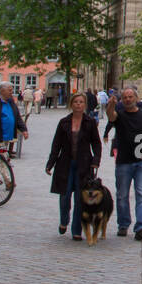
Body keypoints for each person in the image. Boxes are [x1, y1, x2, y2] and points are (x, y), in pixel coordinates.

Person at [46, 92, 101, 240]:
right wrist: (50, 163)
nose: (78, 104)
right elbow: (56, 144)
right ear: (71, 104)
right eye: (76, 102)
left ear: (85, 105)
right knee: (64, 196)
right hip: (65, 163)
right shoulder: (64, 122)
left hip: (84, 164)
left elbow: (96, 143)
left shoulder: (89, 122)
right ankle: (64, 220)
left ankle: (77, 230)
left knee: (80, 198)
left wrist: (96, 160)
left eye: (81, 102)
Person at [106, 86, 142, 240]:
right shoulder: (120, 115)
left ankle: (141, 226)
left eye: (130, 97)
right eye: (125, 97)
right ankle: (123, 224)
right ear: (122, 100)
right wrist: (111, 104)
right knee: (122, 195)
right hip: (124, 161)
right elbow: (110, 116)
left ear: (136, 98)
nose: (128, 99)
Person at [0, 81, 29, 157]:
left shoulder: (11, 102)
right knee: (3, 157)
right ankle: (7, 168)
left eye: (12, 90)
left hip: (7, 136)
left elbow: (17, 117)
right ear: (2, 90)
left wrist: (24, 130)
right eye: (10, 90)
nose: (12, 92)